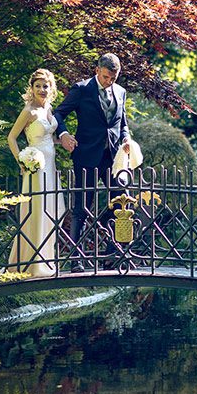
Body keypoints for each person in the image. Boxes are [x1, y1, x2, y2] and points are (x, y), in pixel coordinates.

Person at [53, 53, 132, 270]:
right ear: (97, 70)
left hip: (112, 158)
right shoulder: (82, 89)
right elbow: (58, 114)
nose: (109, 82)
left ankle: (113, 252)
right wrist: (64, 134)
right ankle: (76, 259)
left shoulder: (121, 92)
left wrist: (126, 137)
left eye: (113, 79)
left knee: (122, 200)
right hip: (86, 156)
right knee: (82, 207)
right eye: (106, 77)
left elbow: (122, 123)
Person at [7, 68, 65, 276]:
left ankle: (46, 260)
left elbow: (49, 138)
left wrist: (64, 140)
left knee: (49, 210)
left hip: (51, 166)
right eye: (38, 86)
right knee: (36, 211)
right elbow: (11, 137)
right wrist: (21, 161)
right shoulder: (29, 111)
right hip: (36, 168)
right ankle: (32, 264)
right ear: (31, 88)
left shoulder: (49, 108)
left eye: (45, 86)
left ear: (51, 88)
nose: (42, 89)